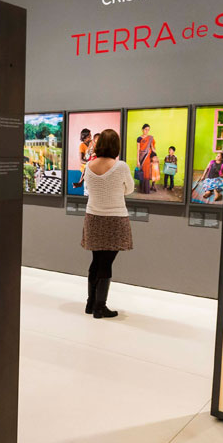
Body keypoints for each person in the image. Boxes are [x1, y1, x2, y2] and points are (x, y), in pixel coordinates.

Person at [81, 129, 133, 319]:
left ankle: (90, 303)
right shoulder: (121, 167)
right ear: (116, 146)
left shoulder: (90, 166)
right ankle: (100, 307)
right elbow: (129, 189)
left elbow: (88, 187)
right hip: (115, 219)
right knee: (107, 262)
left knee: (96, 260)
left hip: (93, 217)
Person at [136, 123, 156, 195]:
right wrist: (138, 160)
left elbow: (152, 148)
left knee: (147, 172)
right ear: (142, 129)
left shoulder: (150, 138)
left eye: (148, 130)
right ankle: (141, 189)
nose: (147, 131)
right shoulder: (139, 138)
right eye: (145, 129)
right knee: (142, 172)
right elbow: (138, 150)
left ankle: (146, 190)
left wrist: (155, 156)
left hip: (148, 157)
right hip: (141, 157)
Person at [71, 127, 91, 192]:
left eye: (90, 136)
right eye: (89, 136)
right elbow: (81, 160)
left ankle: (80, 182)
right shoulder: (82, 146)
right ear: (84, 137)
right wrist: (89, 162)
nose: (90, 138)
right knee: (86, 168)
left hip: (91, 165)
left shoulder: (91, 143)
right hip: (86, 165)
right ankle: (80, 182)